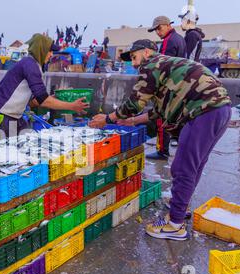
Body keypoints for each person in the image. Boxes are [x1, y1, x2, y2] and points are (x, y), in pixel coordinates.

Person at [89, 39, 232, 241]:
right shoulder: (166, 67)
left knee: (183, 168)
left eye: (134, 56)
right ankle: (181, 207)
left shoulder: (152, 64)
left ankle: (175, 225)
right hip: (219, 111)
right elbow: (157, 112)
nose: (133, 62)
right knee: (194, 166)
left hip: (203, 112)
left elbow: (135, 102)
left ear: (147, 52)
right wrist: (132, 121)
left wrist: (108, 118)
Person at [0, 33, 89, 144]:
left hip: (15, 118)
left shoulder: (33, 65)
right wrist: (72, 106)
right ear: (41, 50)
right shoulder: (30, 65)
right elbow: (43, 100)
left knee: (20, 151)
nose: (51, 54)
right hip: (1, 118)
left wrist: (55, 98)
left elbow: (33, 102)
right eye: (50, 51)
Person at [146, 16, 187, 160]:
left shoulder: (168, 41)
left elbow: (163, 66)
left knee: (161, 118)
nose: (157, 32)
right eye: (155, 30)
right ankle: (182, 149)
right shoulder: (180, 39)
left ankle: (162, 151)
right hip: (180, 85)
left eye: (159, 28)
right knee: (177, 118)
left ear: (168, 25)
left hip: (169, 86)